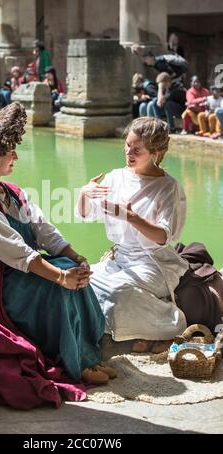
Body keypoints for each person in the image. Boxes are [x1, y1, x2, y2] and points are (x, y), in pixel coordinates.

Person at [0, 102, 115, 410]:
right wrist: (60, 276)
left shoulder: (12, 192)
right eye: (10, 151)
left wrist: (74, 259)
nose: (16, 157)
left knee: (73, 272)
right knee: (55, 286)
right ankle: (76, 364)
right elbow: (15, 251)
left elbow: (43, 232)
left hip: (20, 270)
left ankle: (87, 354)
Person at [76, 117, 188, 352]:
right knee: (82, 279)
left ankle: (170, 323)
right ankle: (138, 330)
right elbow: (88, 215)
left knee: (117, 292)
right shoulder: (116, 176)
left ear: (155, 152)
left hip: (152, 262)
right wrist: (84, 194)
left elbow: (163, 236)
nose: (129, 152)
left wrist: (131, 217)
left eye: (137, 149)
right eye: (127, 144)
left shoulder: (169, 187)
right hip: (119, 259)